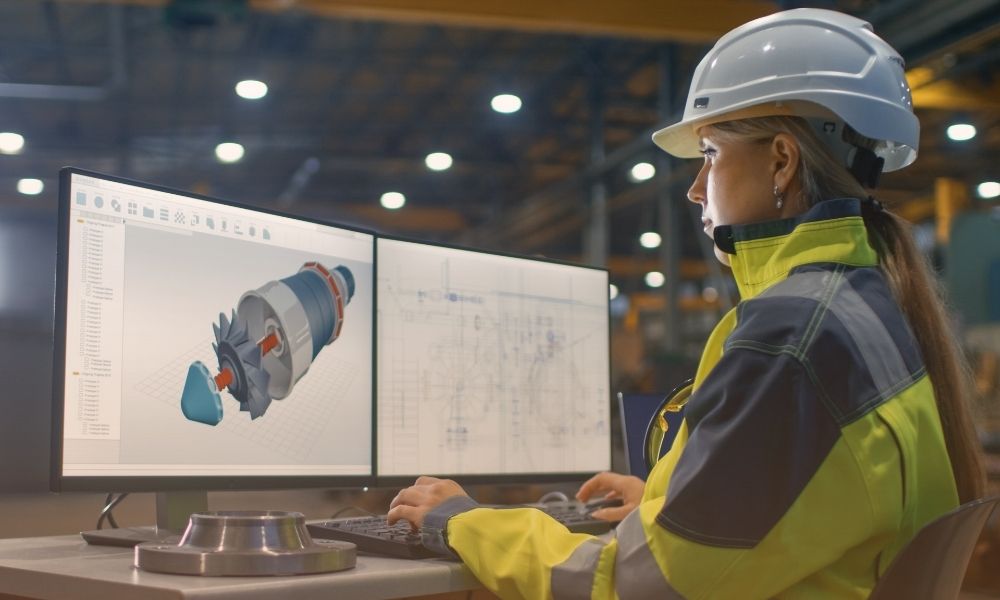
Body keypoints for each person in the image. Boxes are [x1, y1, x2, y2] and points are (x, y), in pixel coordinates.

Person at [387, 8, 986, 598]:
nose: (696, 188)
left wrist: (461, 520)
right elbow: (821, 502)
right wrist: (665, 503)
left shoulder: (791, 335)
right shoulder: (866, 303)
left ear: (781, 159)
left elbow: (636, 586)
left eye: (709, 154)